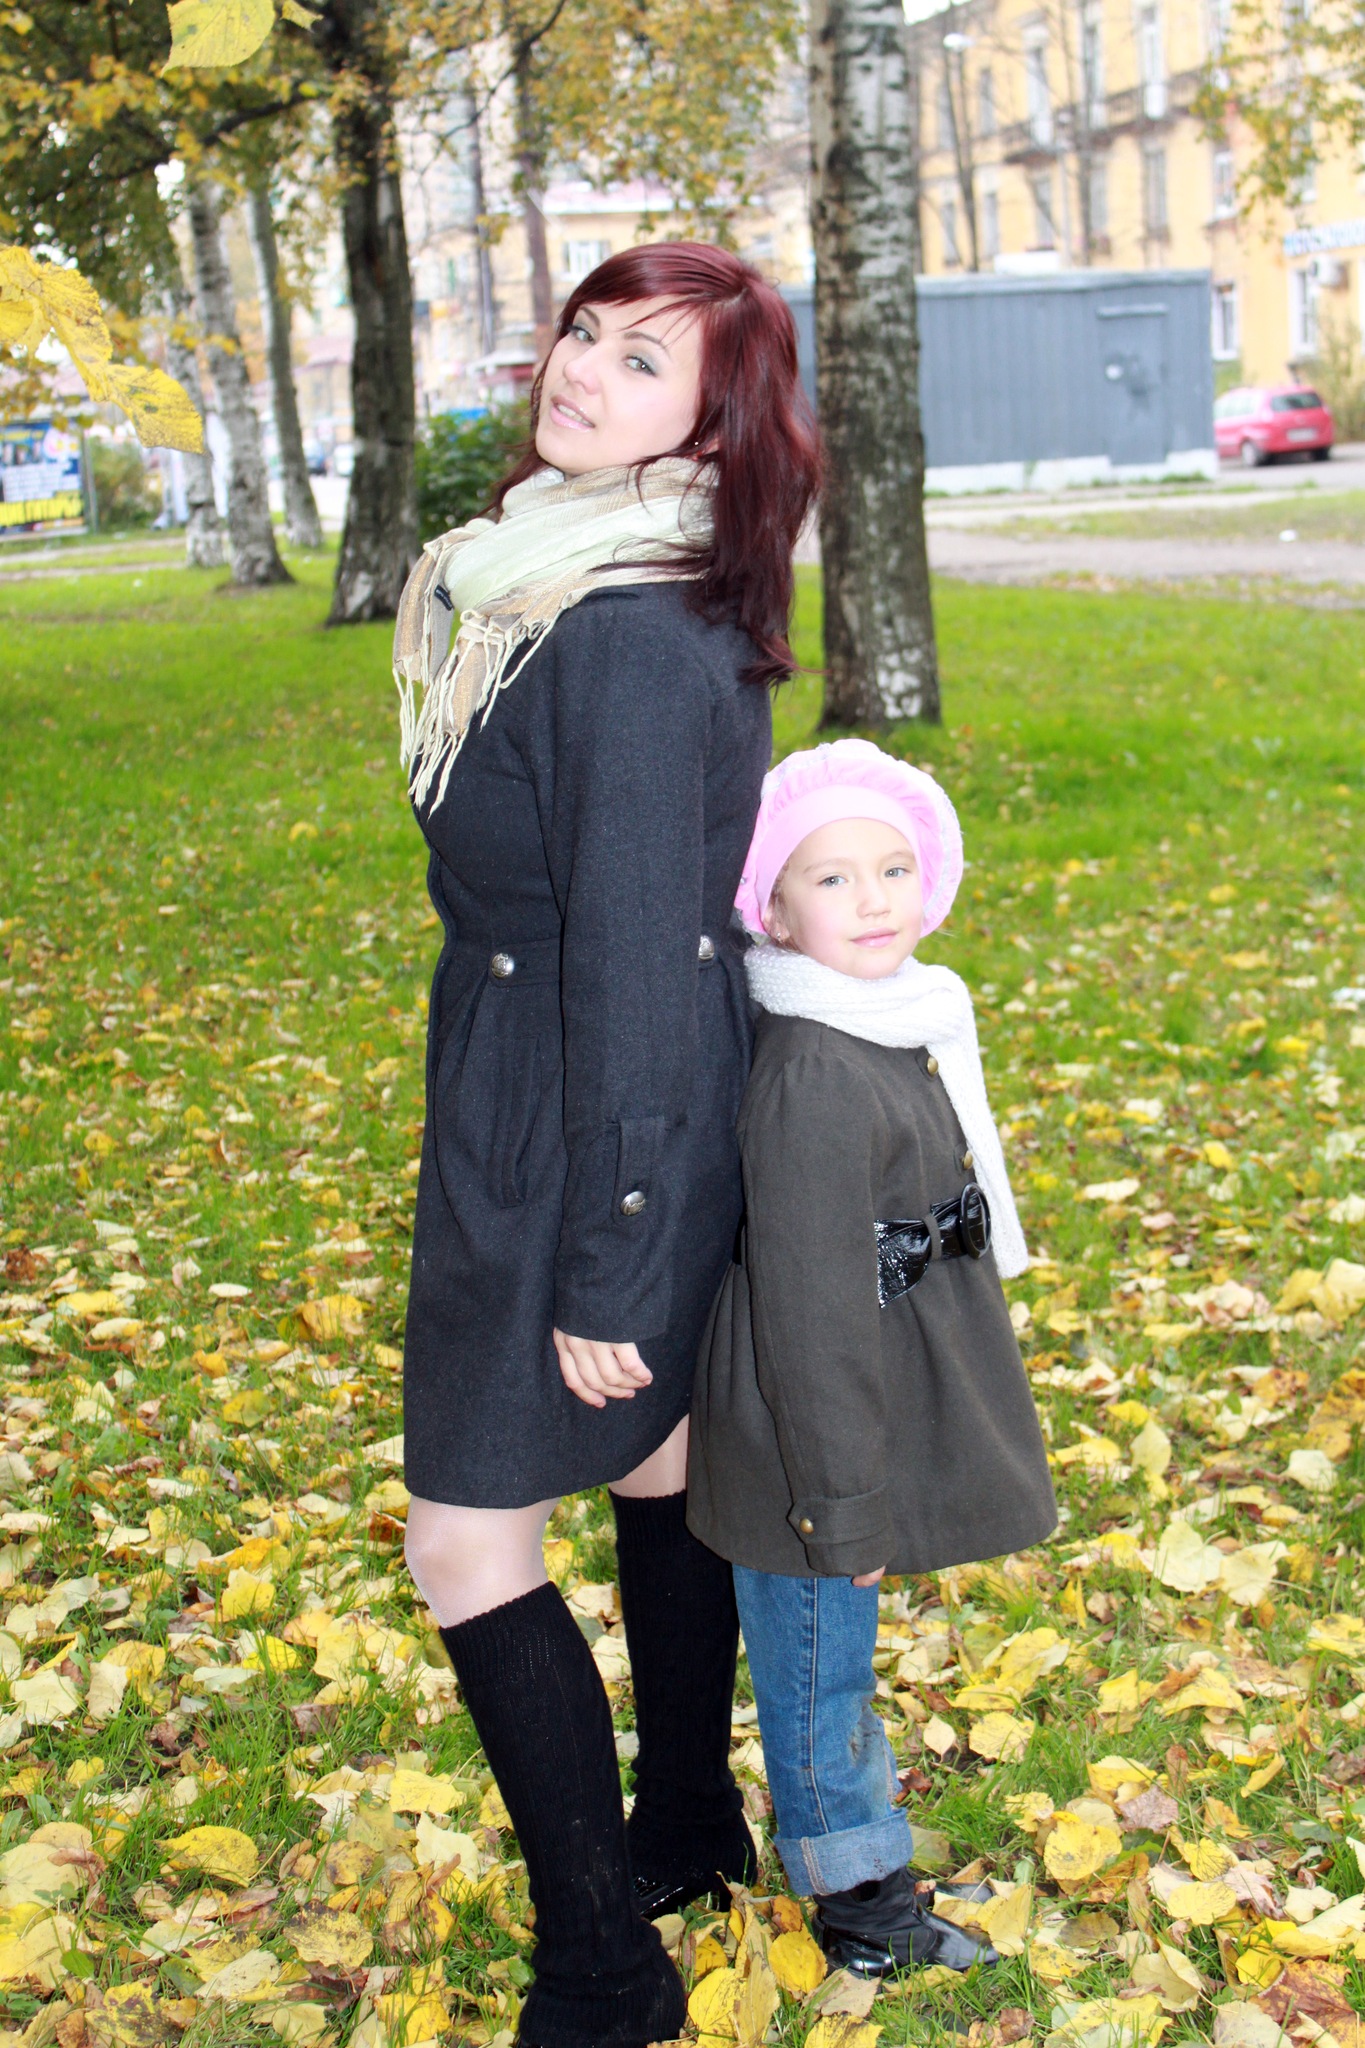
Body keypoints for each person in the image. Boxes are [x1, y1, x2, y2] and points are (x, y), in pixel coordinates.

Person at [391, 244, 821, 2048]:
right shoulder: (560, 573)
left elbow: (642, 967)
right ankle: (691, 1823)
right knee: (653, 1455)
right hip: (567, 1064)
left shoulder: (623, 631)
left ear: (713, 427)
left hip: (584, 1103)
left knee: (462, 1541)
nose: (583, 369)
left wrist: (616, 1256)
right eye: (586, 331)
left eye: (646, 359)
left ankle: (601, 1970)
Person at [687, 738, 1058, 1979]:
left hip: (855, 1411)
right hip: (804, 1440)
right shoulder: (814, 1072)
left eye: (894, 868)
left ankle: (862, 1864)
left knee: (831, 1650)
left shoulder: (890, 1020)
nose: (875, 898)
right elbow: (810, 1315)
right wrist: (841, 1501)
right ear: (775, 908)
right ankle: (861, 1903)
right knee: (817, 1664)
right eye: (833, 877)